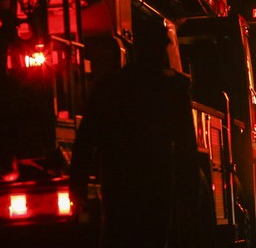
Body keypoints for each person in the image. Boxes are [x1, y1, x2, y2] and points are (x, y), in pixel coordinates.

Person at [70, 20, 205, 248]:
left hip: (119, 186)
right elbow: (185, 147)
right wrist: (190, 197)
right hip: (156, 188)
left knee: (117, 237)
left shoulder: (110, 86)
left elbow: (87, 138)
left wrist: (78, 185)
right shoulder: (172, 90)